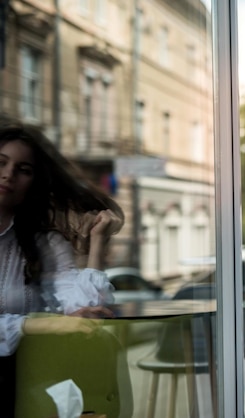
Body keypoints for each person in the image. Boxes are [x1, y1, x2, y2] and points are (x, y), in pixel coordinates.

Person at [0, 118, 124, 416]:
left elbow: (89, 311)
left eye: (23, 170)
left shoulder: (43, 242)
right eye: (1, 163)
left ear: (34, 182)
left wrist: (97, 243)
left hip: (31, 382)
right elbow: (57, 323)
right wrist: (40, 324)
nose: (8, 175)